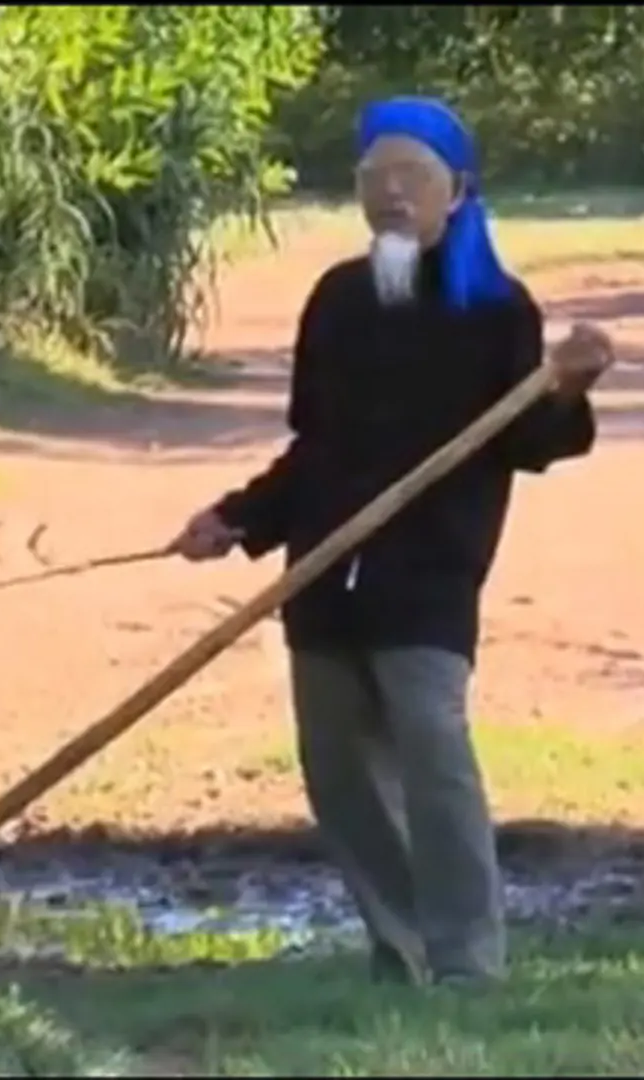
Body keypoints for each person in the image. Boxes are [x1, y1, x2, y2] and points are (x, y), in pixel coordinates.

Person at [171, 96, 616, 987]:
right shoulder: (337, 300)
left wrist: (568, 390)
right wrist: (239, 518)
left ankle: (467, 962)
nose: (390, 196)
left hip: (430, 574)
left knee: (433, 752)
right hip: (324, 572)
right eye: (374, 180)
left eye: (411, 178)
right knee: (339, 771)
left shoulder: (496, 309)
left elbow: (525, 443)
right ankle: (400, 949)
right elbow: (315, 449)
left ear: (457, 191)